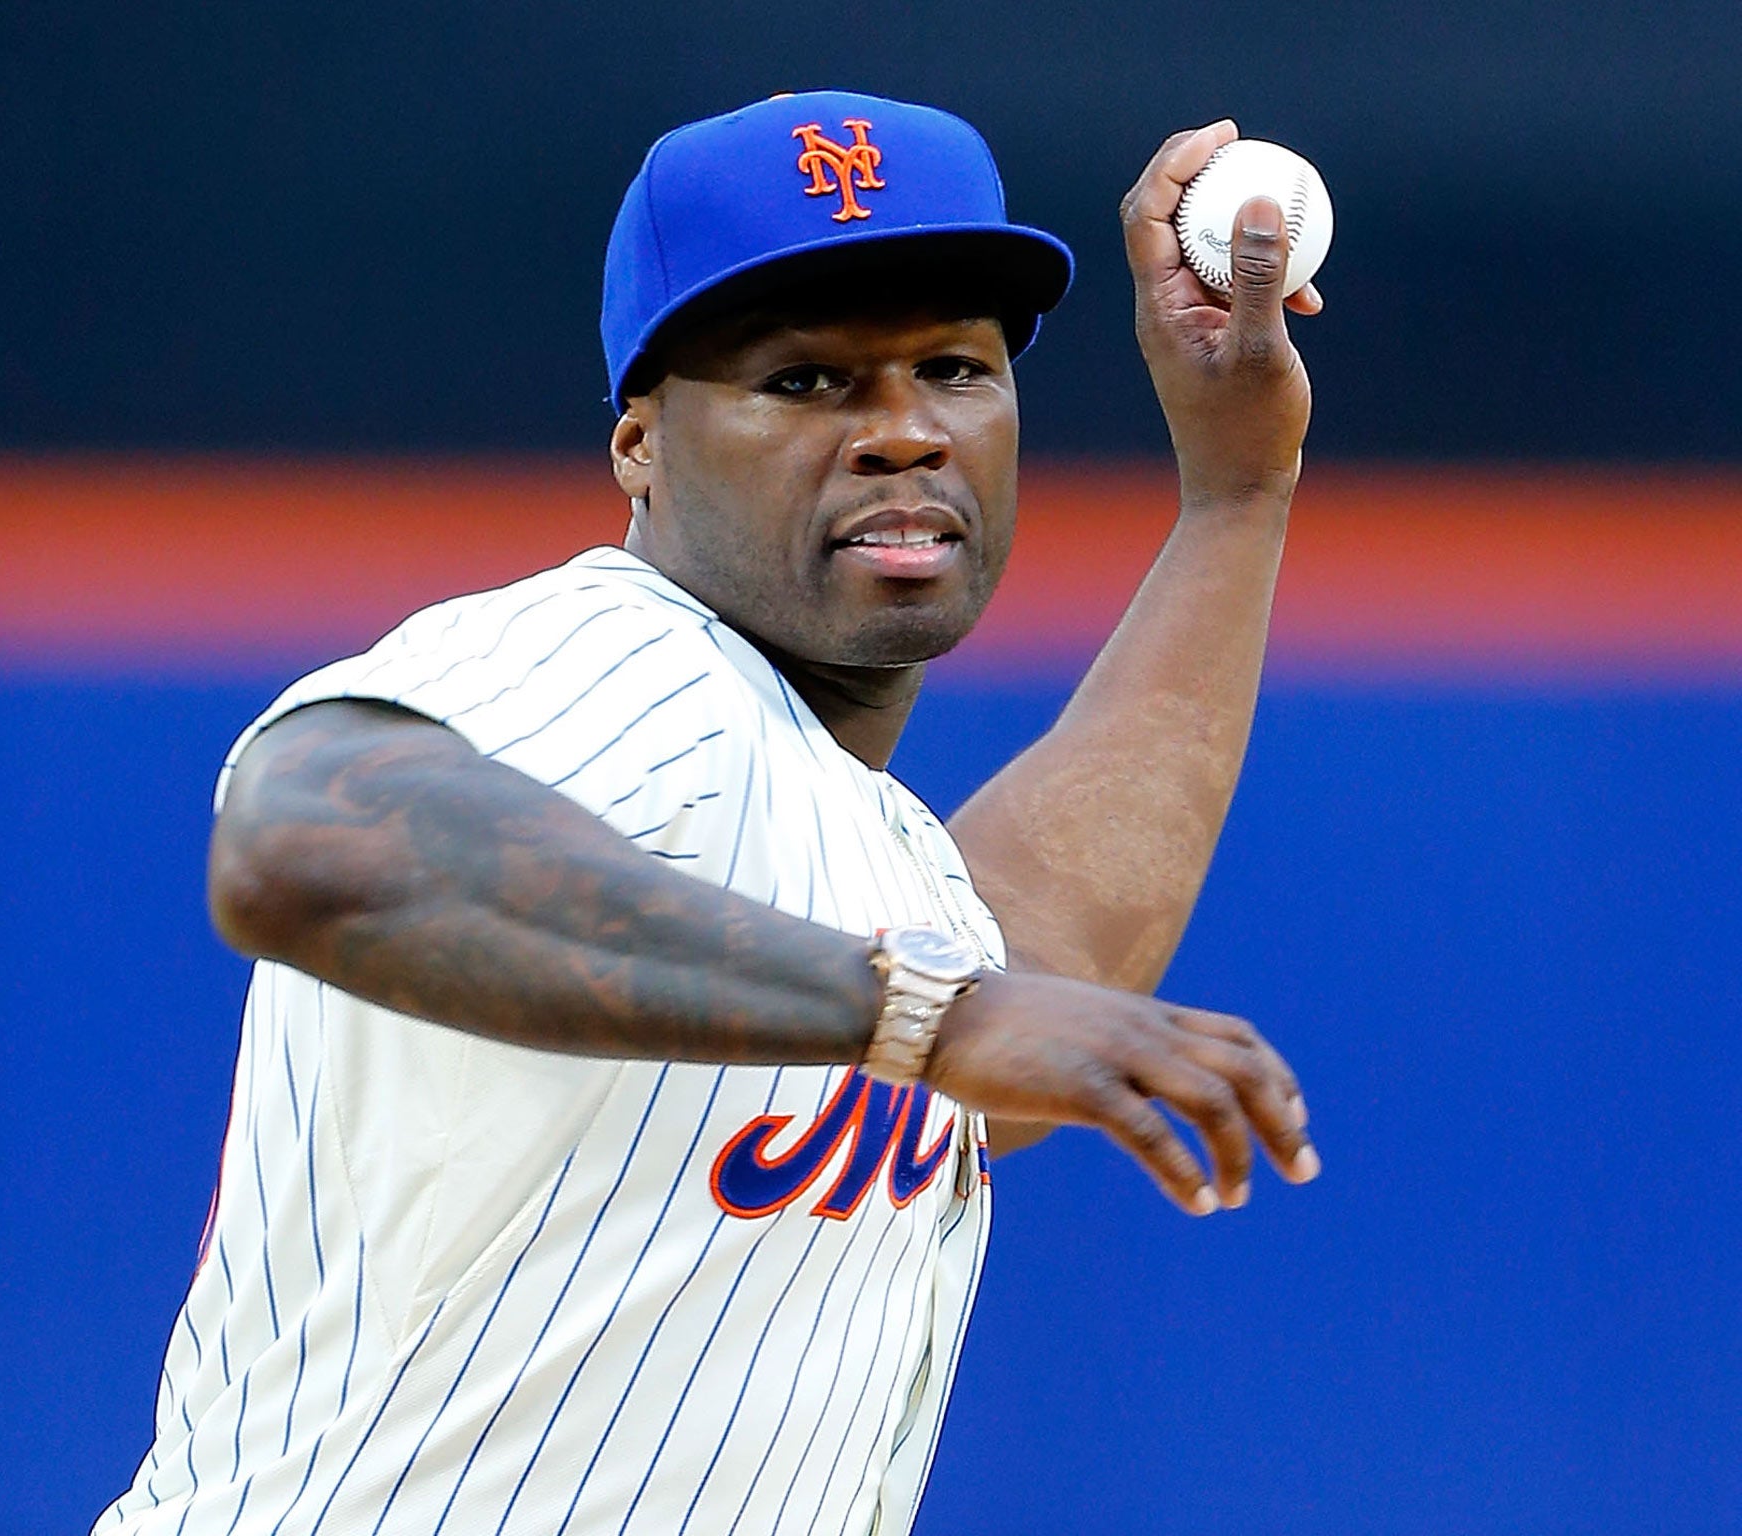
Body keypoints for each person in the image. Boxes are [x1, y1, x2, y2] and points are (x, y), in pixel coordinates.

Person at [93, 88, 1323, 1536]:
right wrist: (934, 1014)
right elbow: (306, 841)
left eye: (952, 367)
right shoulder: (621, 663)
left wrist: (1237, 495)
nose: (903, 431)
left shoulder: (839, 831)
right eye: (806, 381)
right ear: (640, 448)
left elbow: (1030, 955)